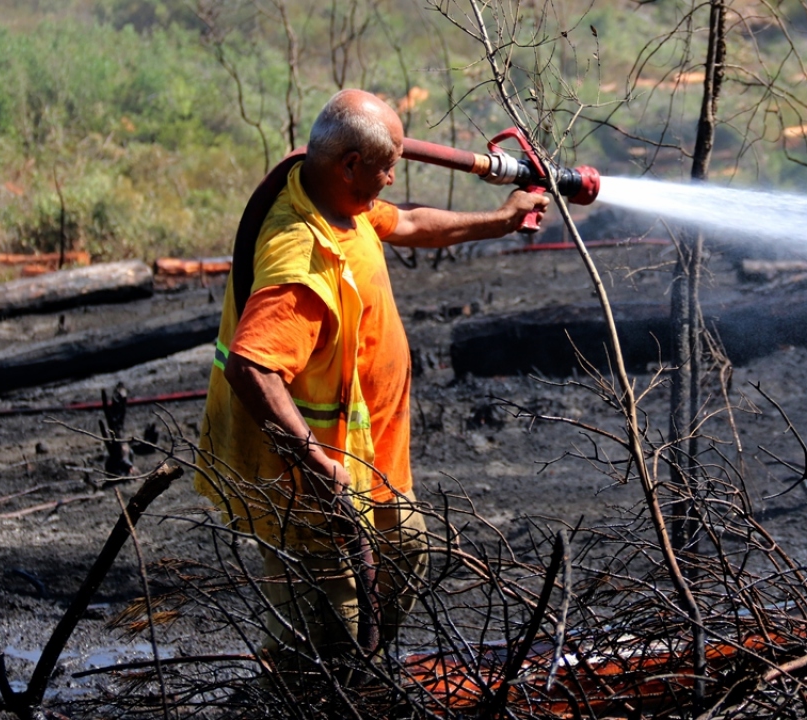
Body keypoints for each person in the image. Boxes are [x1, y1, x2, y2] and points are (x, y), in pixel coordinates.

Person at [193, 89, 548, 682]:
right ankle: (301, 687)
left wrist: (501, 220)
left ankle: (352, 671)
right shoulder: (301, 254)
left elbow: (408, 222)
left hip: (370, 461)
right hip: (304, 482)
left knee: (405, 555)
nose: (391, 178)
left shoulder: (338, 196)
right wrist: (314, 464)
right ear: (350, 163)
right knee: (327, 635)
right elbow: (251, 367)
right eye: (386, 166)